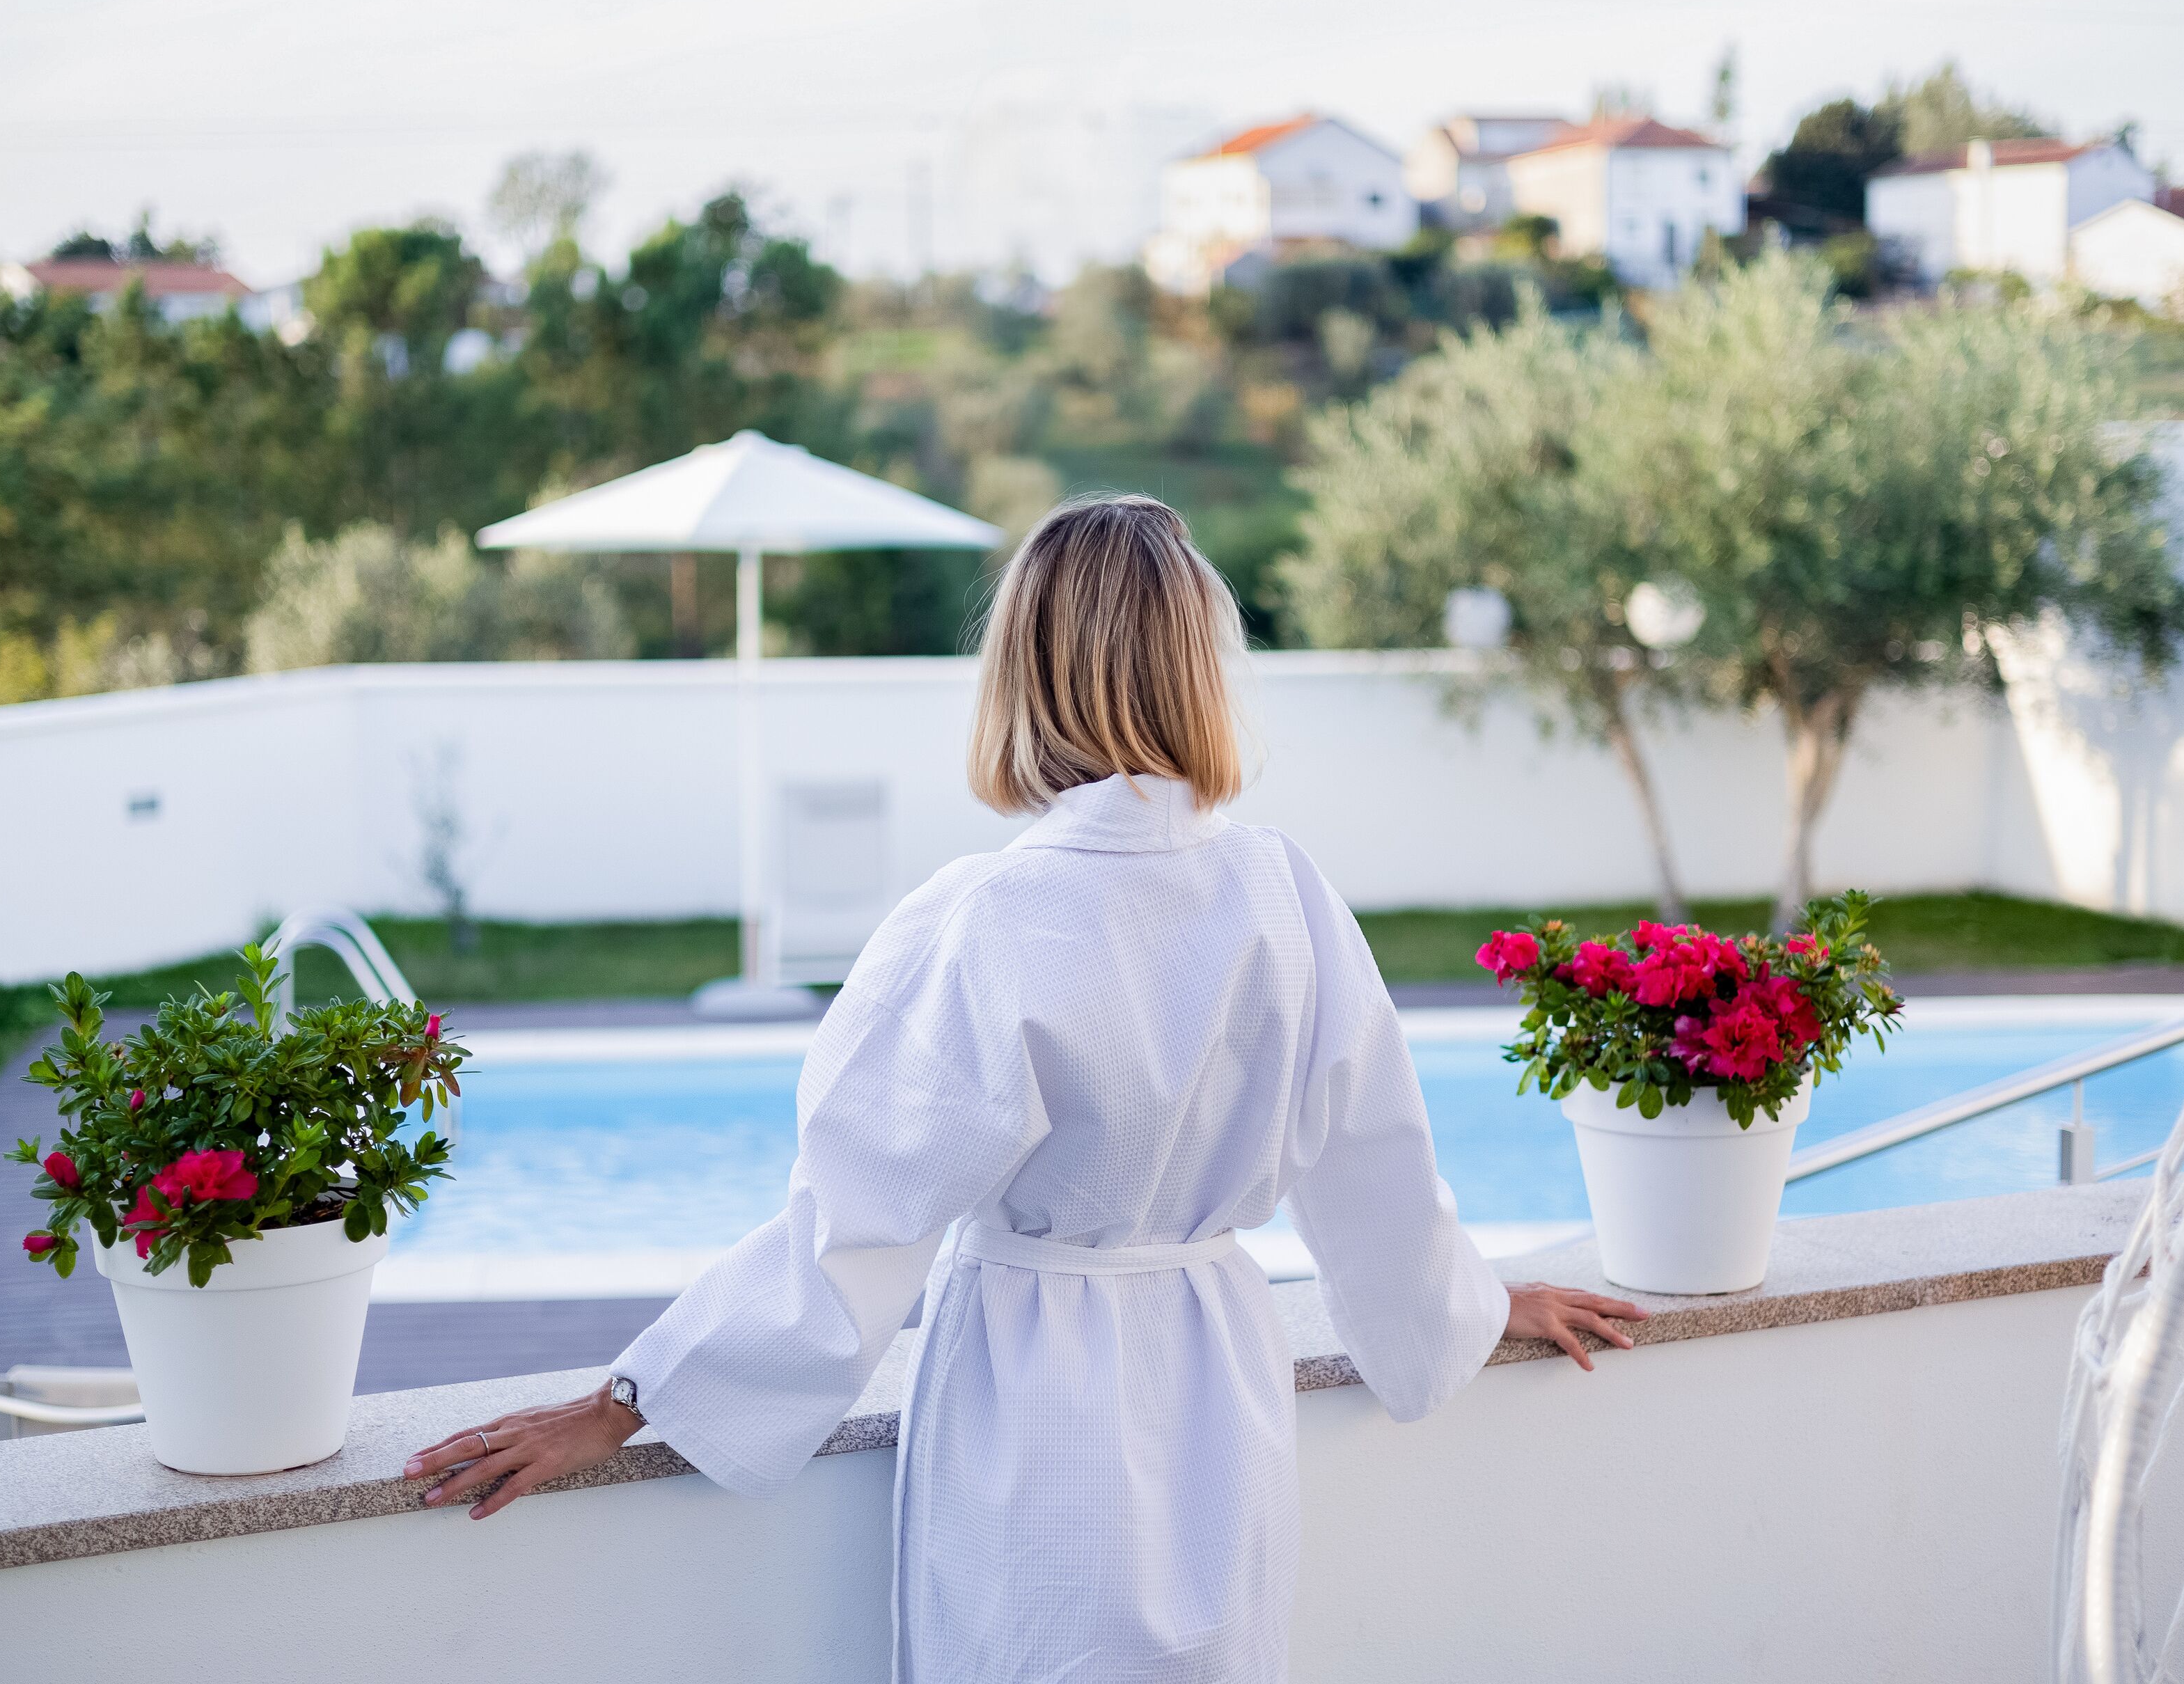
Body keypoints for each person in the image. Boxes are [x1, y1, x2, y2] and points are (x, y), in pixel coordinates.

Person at [408, 494, 1645, 1681]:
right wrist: (1474, 1303)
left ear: (1024, 673)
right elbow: (1378, 1175)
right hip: (1222, 1391)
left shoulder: (987, 918)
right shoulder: (1288, 894)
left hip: (1034, 1403)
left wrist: (626, 1401)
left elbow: (854, 1229)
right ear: (1197, 668)